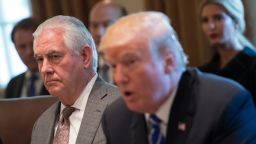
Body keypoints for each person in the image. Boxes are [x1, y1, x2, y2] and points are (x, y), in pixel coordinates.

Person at [99, 11, 256, 144]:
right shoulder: (115, 118)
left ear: (169, 62)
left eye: (131, 62)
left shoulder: (225, 105)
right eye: (113, 66)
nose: (119, 78)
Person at [30, 15, 120, 144]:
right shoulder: (41, 124)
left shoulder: (120, 106)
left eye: (54, 56)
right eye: (40, 59)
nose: (44, 69)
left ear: (85, 56)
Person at [198, 0, 256, 102]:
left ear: (236, 22)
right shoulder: (204, 73)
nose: (211, 26)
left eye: (218, 18)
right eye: (205, 20)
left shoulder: (253, 64)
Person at [5, 17, 49, 98]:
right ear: (15, 49)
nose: (29, 52)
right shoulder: (12, 85)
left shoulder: (60, 79)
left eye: (33, 44)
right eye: (22, 47)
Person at [89, 0, 127, 83]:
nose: (98, 32)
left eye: (106, 25)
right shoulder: (86, 68)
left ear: (124, 26)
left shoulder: (134, 66)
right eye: (94, 25)